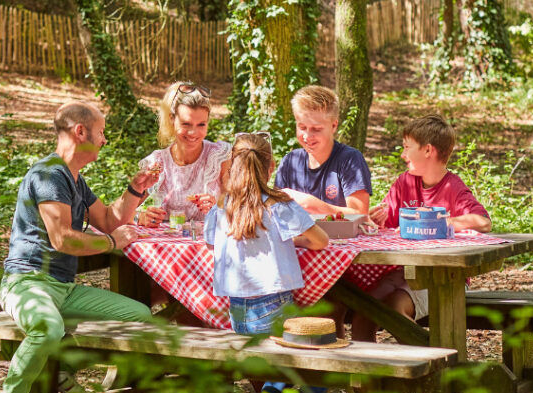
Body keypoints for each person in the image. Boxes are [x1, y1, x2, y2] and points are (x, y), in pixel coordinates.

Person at [0, 101, 158, 393]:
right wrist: (113, 243)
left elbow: (109, 220)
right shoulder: (49, 175)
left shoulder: (75, 179)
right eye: (102, 132)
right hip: (26, 283)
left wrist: (136, 190)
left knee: (139, 314)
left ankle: (63, 365)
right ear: (81, 133)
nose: (105, 139)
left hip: (62, 289)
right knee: (48, 328)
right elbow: (62, 238)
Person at [359, 115, 491, 342]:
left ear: (428, 150)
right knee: (364, 308)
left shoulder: (452, 186)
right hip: (403, 272)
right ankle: (367, 373)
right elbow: (386, 224)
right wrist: (374, 219)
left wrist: (444, 221)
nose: (402, 154)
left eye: (407, 147)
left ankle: (428, 365)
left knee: (393, 308)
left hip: (444, 278)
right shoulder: (404, 183)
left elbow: (483, 222)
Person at [205, 132, 329, 336]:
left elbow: (212, 244)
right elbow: (321, 241)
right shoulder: (278, 204)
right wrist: (298, 242)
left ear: (233, 165)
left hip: (236, 303)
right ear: (271, 167)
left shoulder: (221, 205)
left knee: (251, 360)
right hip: (274, 300)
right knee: (280, 360)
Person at [138, 80, 231, 225]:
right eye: (186, 124)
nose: (193, 133)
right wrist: (141, 217)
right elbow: (122, 213)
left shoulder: (219, 156)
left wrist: (217, 207)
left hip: (210, 245)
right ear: (172, 120)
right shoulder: (157, 162)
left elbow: (238, 209)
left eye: (201, 124)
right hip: (167, 245)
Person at [274, 85, 372, 215]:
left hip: (340, 235)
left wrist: (312, 204)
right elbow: (275, 210)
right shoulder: (290, 162)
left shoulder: (350, 160)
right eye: (302, 127)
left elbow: (359, 214)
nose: (307, 136)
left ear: (333, 125)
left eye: (316, 129)